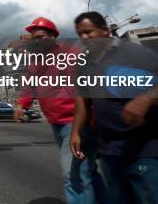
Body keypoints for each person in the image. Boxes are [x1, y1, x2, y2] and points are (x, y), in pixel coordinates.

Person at [70, 11, 158, 204]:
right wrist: (76, 132)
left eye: (88, 32)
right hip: (111, 154)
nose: (84, 38)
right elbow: (83, 101)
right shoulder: (85, 65)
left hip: (149, 151)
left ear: (104, 30)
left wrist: (147, 98)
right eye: (80, 35)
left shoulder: (131, 51)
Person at [15, 17, 105, 204]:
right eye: (34, 38)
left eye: (40, 37)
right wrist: (21, 105)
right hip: (57, 123)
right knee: (87, 172)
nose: (36, 41)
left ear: (53, 36)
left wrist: (86, 125)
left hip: (76, 123)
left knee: (75, 177)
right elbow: (30, 86)